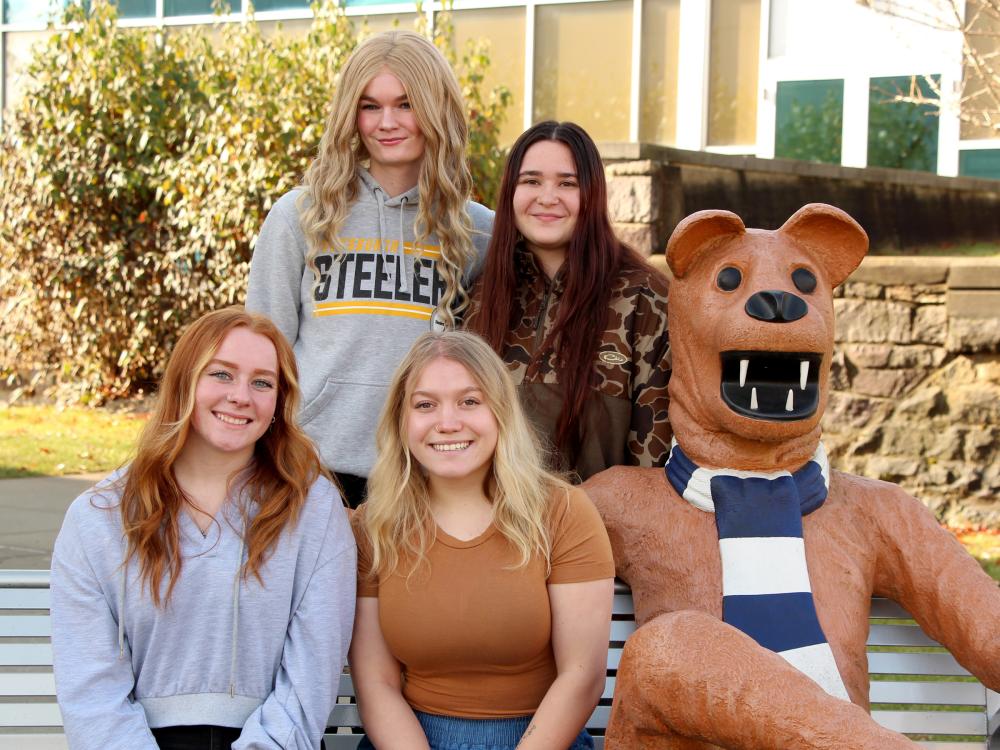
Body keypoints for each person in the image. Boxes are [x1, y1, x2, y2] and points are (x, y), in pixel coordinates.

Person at [50, 307, 356, 750]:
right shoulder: (99, 517)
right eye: (222, 374)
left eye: (262, 382)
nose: (241, 396)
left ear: (278, 403)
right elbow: (91, 693)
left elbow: (310, 677)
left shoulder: (314, 510)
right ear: (183, 383)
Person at [246, 30, 494, 508]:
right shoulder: (300, 215)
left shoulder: (477, 230)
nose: (386, 122)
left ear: (436, 109)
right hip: (311, 467)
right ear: (350, 115)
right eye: (369, 106)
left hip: (428, 470)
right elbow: (262, 352)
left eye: (405, 104)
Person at [350, 331, 614, 750]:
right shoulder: (375, 525)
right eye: (425, 405)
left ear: (501, 412)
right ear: (402, 421)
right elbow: (375, 681)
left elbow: (581, 677)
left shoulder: (563, 512)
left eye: (470, 401)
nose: (448, 422)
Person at [466, 121, 671, 482]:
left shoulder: (644, 297)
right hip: (497, 527)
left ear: (592, 194)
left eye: (567, 183)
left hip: (606, 530)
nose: (547, 197)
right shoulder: (481, 297)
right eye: (531, 181)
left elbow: (654, 463)